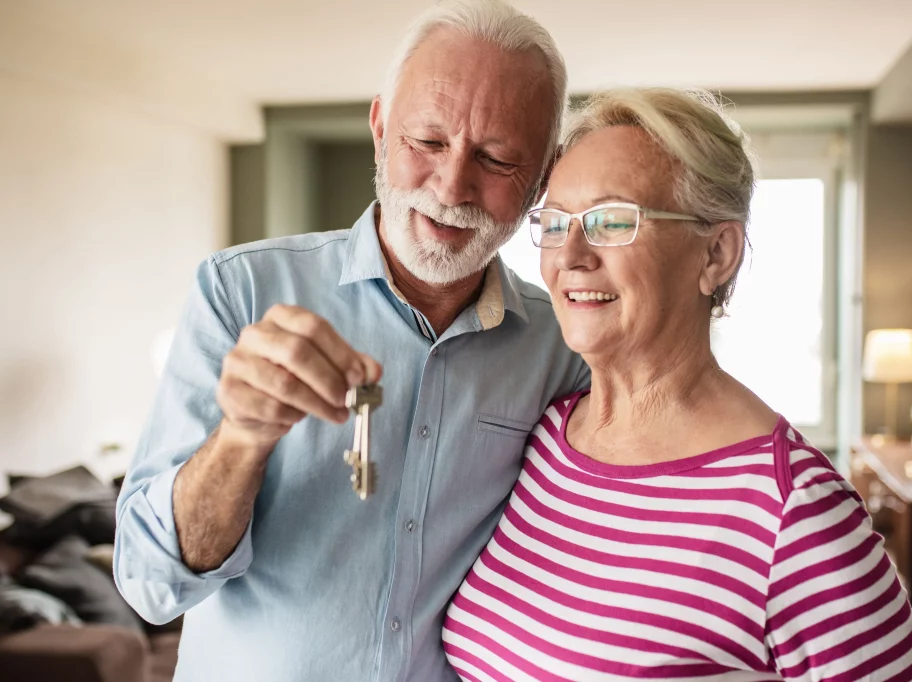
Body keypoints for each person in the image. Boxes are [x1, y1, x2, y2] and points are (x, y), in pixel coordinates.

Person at [113, 2, 588, 680]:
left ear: (542, 177)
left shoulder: (563, 348)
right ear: (379, 129)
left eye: (496, 157)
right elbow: (151, 585)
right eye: (426, 142)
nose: (452, 186)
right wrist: (241, 438)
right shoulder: (238, 290)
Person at [442, 88, 912, 681]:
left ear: (717, 253)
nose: (569, 255)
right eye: (555, 223)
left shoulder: (792, 512)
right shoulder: (546, 435)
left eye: (612, 221)